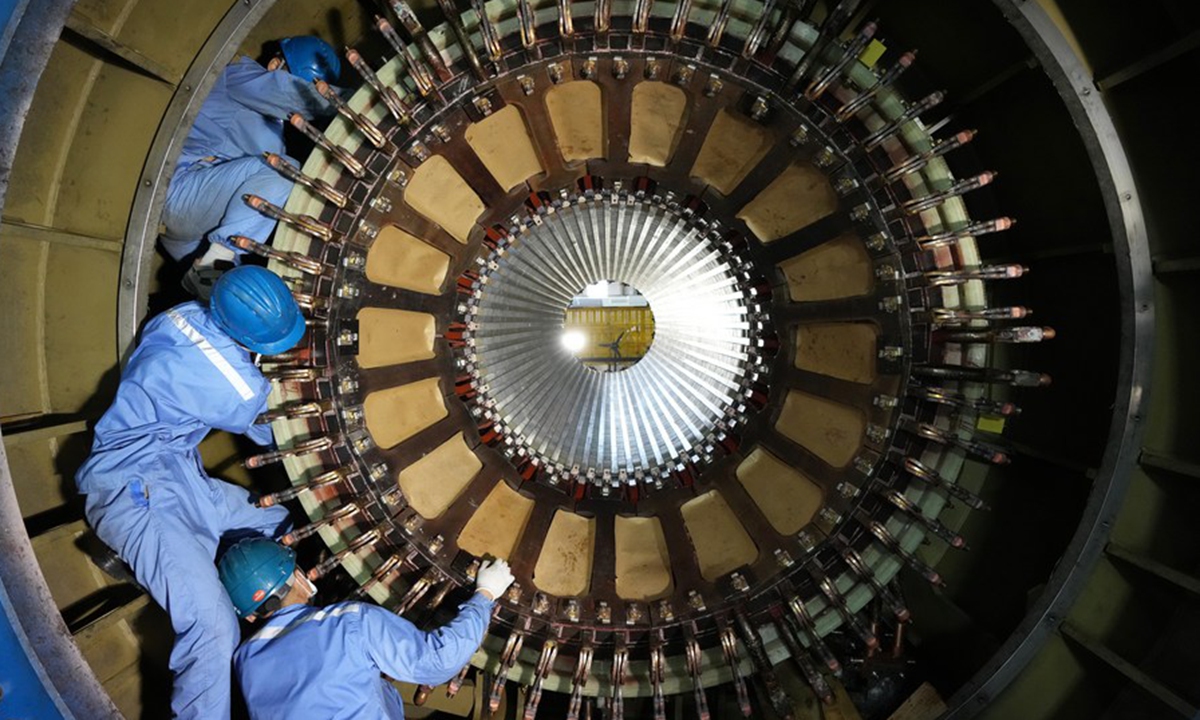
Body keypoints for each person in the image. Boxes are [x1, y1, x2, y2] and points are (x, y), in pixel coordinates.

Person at [76, 266, 307, 719]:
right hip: (131, 492)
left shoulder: (179, 316)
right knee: (215, 629)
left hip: (177, 473)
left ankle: (195, 568)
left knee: (281, 524)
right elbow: (278, 438)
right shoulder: (241, 388)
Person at [221, 539, 515, 719]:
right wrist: (486, 594)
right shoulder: (347, 622)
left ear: (248, 617)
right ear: (298, 577)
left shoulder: (245, 661)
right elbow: (437, 662)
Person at [161, 36, 342, 298]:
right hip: (182, 192)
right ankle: (213, 266)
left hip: (195, 237)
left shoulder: (274, 134)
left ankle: (213, 275)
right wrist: (361, 100)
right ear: (274, 63)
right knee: (283, 169)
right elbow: (291, 93)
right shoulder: (238, 77)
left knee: (233, 302)